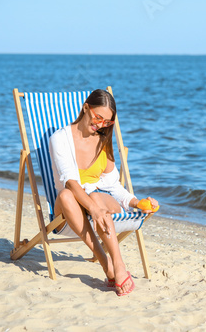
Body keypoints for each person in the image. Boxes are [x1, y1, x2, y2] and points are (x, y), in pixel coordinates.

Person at [48, 89, 158, 296]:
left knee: (96, 196)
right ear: (86, 108)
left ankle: (117, 265)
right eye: (98, 117)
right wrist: (94, 210)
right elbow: (70, 183)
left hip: (101, 203)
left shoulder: (102, 141)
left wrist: (136, 203)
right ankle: (107, 263)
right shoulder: (60, 138)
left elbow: (114, 186)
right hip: (70, 212)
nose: (100, 125)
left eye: (106, 122)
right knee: (65, 195)